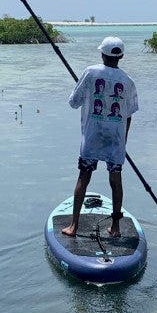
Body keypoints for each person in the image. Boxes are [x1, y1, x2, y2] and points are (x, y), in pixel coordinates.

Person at [61, 35, 139, 239]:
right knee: (116, 180)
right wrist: (124, 140)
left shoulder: (90, 72)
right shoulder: (128, 81)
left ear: (102, 54)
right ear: (120, 56)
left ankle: (74, 225)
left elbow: (73, 102)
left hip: (92, 135)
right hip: (115, 139)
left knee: (84, 176)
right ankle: (115, 227)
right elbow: (128, 115)